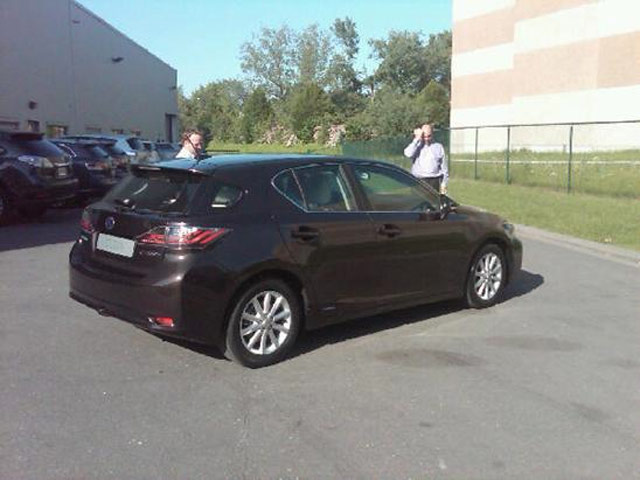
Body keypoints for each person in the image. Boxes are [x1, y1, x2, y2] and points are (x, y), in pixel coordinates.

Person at [403, 123, 448, 194]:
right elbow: (408, 154)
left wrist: (444, 184)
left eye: (429, 136)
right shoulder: (416, 146)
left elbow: (444, 168)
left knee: (433, 201)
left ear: (432, 134)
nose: (426, 139)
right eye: (424, 136)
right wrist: (417, 138)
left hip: (434, 181)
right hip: (419, 181)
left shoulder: (438, 147)